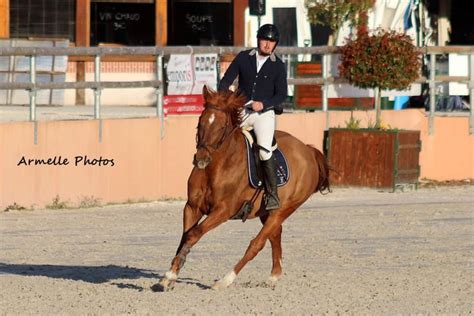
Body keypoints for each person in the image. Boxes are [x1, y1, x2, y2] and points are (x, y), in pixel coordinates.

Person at [218, 24, 288, 210]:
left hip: (263, 115)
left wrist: (264, 103)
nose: (267, 45)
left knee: (264, 150)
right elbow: (226, 80)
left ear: (275, 45)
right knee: (224, 140)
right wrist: (225, 95)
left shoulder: (278, 66)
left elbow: (282, 95)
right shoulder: (243, 57)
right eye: (265, 40)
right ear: (258, 40)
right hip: (242, 110)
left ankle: (272, 194)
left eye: (271, 42)